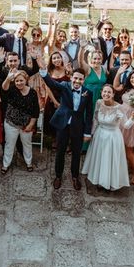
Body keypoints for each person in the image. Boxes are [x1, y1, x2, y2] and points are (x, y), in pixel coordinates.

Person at [38, 56, 93, 191]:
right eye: (75, 78)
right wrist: (44, 71)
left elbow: (90, 114)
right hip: (63, 124)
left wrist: (87, 132)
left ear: (83, 80)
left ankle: (75, 176)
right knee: (60, 152)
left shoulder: (88, 92)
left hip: (78, 126)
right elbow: (52, 84)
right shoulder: (64, 86)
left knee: (76, 153)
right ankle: (58, 176)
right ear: (71, 78)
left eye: (80, 79)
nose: (77, 81)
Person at [81, 84, 130, 191]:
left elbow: (126, 125)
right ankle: (99, 180)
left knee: (109, 159)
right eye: (104, 92)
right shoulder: (99, 102)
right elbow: (95, 120)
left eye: (109, 92)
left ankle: (110, 182)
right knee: (100, 158)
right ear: (101, 92)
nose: (106, 94)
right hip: (99, 135)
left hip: (113, 137)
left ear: (113, 94)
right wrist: (90, 134)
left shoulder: (119, 108)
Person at [1, 69, 39, 173]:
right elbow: (4, 88)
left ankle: (28, 163)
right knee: (9, 144)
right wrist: (8, 78)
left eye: (21, 80)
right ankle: (5, 164)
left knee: (27, 144)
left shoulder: (33, 93)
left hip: (26, 125)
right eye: (17, 81)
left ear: (26, 80)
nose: (19, 83)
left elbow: (36, 110)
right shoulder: (12, 90)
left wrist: (31, 125)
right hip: (11, 123)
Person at [44, 51, 72, 137]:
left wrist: (70, 73)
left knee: (65, 119)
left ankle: (65, 139)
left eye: (58, 57)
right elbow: (47, 88)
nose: (56, 60)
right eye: (54, 58)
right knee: (52, 117)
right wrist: (55, 102)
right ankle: (54, 139)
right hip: (52, 98)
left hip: (65, 98)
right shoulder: (49, 71)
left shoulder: (66, 69)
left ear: (61, 58)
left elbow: (72, 84)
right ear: (51, 60)